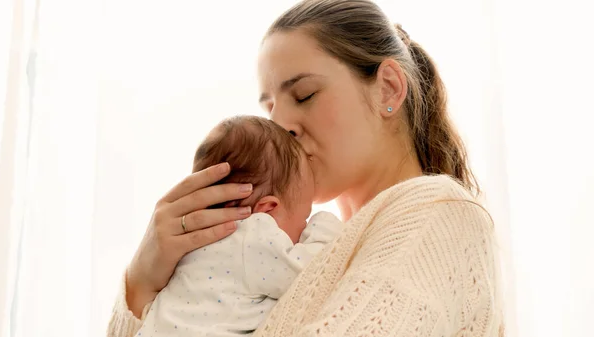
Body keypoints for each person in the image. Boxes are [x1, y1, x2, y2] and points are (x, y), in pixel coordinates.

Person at [107, 0, 503, 336]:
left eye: (305, 94)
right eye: (269, 108)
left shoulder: (437, 214)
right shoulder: (308, 250)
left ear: (388, 89)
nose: (281, 125)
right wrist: (142, 281)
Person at [135, 116, 342, 336]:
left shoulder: (190, 241)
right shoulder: (251, 234)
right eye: (305, 218)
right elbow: (310, 271)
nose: (305, 229)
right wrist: (325, 224)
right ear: (267, 208)